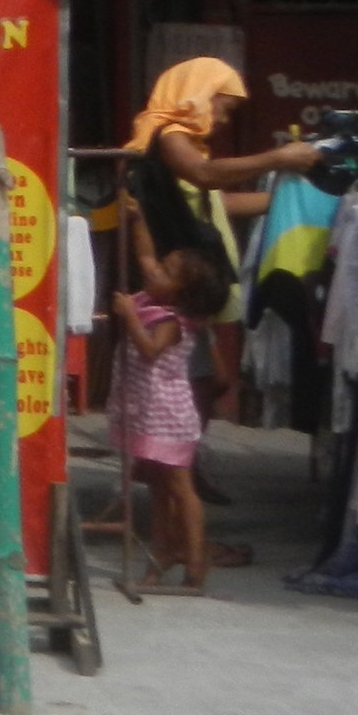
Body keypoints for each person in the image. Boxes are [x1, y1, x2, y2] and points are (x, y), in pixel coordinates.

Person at [122, 58, 317, 421]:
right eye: (223, 107)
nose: (224, 120)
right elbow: (205, 176)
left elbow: (216, 200)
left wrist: (288, 201)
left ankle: (180, 462)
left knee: (209, 379)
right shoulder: (169, 135)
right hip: (177, 280)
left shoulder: (181, 141)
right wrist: (278, 157)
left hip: (192, 282)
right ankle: (176, 464)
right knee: (200, 380)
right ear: (199, 95)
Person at [110, 238, 237, 586]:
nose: (153, 271)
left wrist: (130, 316)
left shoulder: (169, 319)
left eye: (166, 272)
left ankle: (195, 562)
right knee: (157, 486)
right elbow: (146, 253)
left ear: (182, 292)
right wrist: (137, 221)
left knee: (180, 487)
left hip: (168, 417)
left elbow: (150, 350)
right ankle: (161, 554)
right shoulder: (153, 301)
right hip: (148, 413)